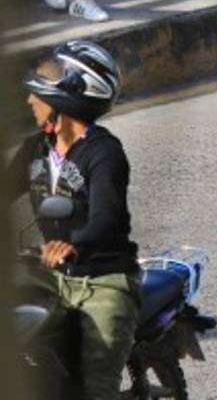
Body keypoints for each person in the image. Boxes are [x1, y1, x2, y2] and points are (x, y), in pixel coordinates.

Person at [9, 40, 139, 398]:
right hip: (49, 275)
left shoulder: (104, 153)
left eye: (39, 93)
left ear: (64, 102)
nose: (30, 101)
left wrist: (72, 245)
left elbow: (106, 218)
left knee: (97, 387)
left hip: (102, 281)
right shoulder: (36, 149)